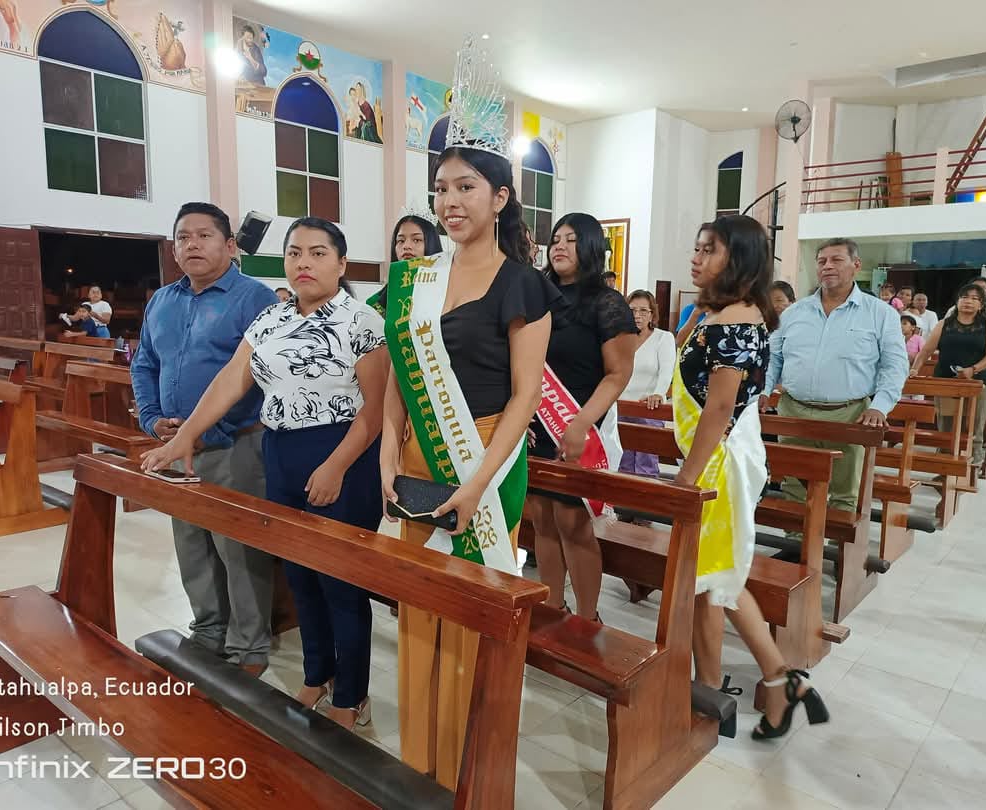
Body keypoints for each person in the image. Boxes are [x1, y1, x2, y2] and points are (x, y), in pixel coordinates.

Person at [142, 217, 387, 730]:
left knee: (340, 581)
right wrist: (186, 436)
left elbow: (375, 409)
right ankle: (317, 675)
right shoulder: (271, 320)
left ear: (341, 264)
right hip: (280, 453)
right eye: (295, 252)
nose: (304, 263)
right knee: (298, 574)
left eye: (318, 253)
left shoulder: (363, 322)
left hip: (342, 453)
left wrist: (336, 465)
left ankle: (352, 694)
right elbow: (232, 380)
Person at [380, 142, 560, 790]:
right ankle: (417, 766)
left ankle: (462, 776)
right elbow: (399, 372)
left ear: (500, 198)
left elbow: (526, 395)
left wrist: (475, 485)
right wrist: (385, 454)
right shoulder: (415, 277)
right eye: (441, 189)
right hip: (415, 460)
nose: (449, 201)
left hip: (483, 459)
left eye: (465, 187)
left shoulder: (522, 283)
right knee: (419, 611)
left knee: (467, 616)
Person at [680, 216, 828, 740]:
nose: (696, 257)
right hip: (714, 458)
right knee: (716, 579)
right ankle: (776, 681)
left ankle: (717, 692)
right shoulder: (720, 313)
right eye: (697, 248)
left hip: (720, 463)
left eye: (709, 250)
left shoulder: (738, 322)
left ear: (739, 259)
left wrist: (686, 478)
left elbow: (719, 408)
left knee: (710, 581)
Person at [130, 202, 278, 676]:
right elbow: (145, 363)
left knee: (238, 549)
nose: (191, 244)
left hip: (235, 444)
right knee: (191, 544)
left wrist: (202, 430)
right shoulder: (163, 300)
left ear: (230, 245)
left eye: (204, 235)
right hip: (175, 445)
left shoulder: (255, 299)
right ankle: (208, 630)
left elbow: (260, 375)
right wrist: (153, 420)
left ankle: (249, 646)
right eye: (183, 237)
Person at [528, 213, 637, 620]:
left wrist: (580, 424)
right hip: (536, 426)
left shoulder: (607, 303)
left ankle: (587, 619)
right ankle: (553, 606)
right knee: (542, 519)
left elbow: (618, 374)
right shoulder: (539, 296)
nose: (559, 246)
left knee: (572, 522)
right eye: (556, 238)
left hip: (578, 427)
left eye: (571, 239)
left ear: (590, 246)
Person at [763, 237, 907, 512]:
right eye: (822, 261)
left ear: (856, 265)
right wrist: (763, 389)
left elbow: (894, 365)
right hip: (794, 412)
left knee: (844, 492)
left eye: (836, 260)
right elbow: (773, 358)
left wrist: (880, 406)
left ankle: (837, 540)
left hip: (848, 414)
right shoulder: (794, 313)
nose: (827, 266)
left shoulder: (880, 314)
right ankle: (796, 537)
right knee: (794, 487)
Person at [912, 283, 986, 466]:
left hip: (979, 381)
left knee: (975, 424)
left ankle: (973, 463)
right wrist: (915, 369)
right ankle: (945, 464)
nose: (968, 301)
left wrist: (973, 369)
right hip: (946, 382)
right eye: (964, 297)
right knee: (946, 425)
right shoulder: (944, 324)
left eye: (974, 299)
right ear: (957, 301)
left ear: (981, 305)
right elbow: (926, 350)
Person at [618, 289, 675, 477]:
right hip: (621, 405)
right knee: (622, 461)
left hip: (649, 407)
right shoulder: (620, 338)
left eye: (643, 310)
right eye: (632, 310)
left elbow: (666, 371)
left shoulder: (663, 338)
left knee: (646, 464)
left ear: (652, 314)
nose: (637, 315)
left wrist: (658, 393)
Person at [366, 213, 443, 316]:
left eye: (416, 240)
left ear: (432, 243)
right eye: (401, 241)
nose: (406, 246)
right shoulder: (376, 303)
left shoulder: (448, 291)